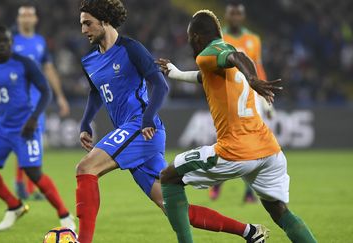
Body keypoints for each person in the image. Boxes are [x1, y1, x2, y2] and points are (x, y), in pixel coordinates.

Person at [76, 1, 268, 243]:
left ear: (104, 21)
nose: (83, 30)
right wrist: (85, 122)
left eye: (88, 23)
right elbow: (96, 92)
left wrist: (147, 118)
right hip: (134, 133)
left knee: (85, 168)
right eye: (81, 24)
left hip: (141, 127)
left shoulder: (131, 49)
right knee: (176, 209)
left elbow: (160, 84)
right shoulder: (89, 61)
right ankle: (250, 232)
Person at [158, 10, 317, 243]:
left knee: (169, 176)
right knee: (279, 211)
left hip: (236, 151)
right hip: (269, 150)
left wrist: (253, 78)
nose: (190, 42)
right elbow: (208, 76)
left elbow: (237, 56)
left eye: (190, 37)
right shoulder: (214, 64)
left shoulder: (212, 52)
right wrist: (177, 74)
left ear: (197, 37)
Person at [0, 26, 75, 231]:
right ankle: (14, 205)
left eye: (5, 42)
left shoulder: (24, 63)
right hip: (2, 127)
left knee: (34, 173)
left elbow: (46, 92)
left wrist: (34, 118)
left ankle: (64, 214)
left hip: (25, 126)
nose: (1, 45)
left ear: (11, 43)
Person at [209, 0, 275, 202]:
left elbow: (258, 67)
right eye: (232, 13)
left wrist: (265, 94)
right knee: (228, 143)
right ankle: (217, 182)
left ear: (242, 16)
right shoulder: (220, 38)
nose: (235, 17)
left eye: (239, 13)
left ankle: (248, 192)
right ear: (227, 16)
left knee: (252, 145)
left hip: (251, 97)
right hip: (227, 98)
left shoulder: (253, 39)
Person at [13, 4, 71, 200]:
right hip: (18, 99)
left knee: (35, 141)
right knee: (23, 138)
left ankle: (32, 186)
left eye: (30, 15)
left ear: (36, 19)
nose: (27, 18)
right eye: (24, 15)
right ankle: (21, 183)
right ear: (18, 19)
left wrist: (60, 96)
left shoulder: (40, 42)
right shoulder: (11, 41)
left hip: (38, 99)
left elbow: (49, 69)